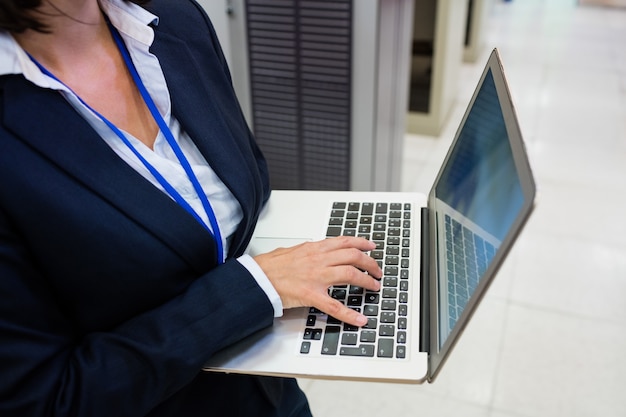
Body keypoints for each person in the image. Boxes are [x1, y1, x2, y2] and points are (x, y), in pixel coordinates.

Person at [0, 0, 383, 416]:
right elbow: (46, 399)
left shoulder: (175, 21)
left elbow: (247, 176)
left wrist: (290, 271)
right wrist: (253, 288)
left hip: (270, 392)